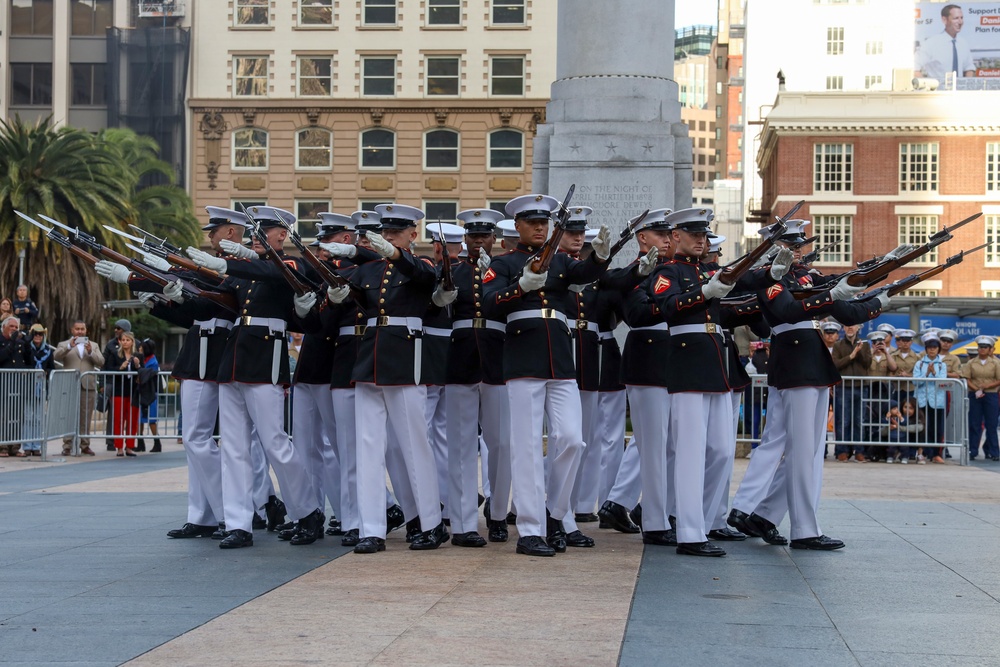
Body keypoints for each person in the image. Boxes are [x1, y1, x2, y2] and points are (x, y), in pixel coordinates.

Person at [186, 205, 326, 549]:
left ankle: (307, 511)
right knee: (233, 447)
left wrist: (235, 262)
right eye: (253, 232)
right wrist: (167, 292)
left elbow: (282, 274)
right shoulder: (247, 271)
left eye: (263, 232)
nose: (254, 237)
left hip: (265, 359)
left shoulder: (290, 265)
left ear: (282, 235)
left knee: (274, 442)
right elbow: (212, 305)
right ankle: (238, 523)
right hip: (234, 360)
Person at [483, 193, 612, 557]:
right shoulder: (504, 263)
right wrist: (520, 287)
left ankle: (555, 513)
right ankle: (529, 529)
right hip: (523, 357)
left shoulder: (560, 261)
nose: (540, 228)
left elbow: (585, 273)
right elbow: (490, 302)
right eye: (533, 223)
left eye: (545, 223)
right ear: (518, 227)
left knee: (572, 439)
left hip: (560, 359)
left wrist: (600, 255)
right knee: (524, 445)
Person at [323, 203, 447, 554]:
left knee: (413, 445)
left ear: (413, 234)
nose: (388, 237)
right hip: (369, 362)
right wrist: (336, 297)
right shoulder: (366, 270)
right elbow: (352, 304)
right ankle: (371, 527)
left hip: (405, 362)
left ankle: (429, 523)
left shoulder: (420, 265)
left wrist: (393, 253)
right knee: (368, 448)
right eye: (385, 232)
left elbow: (425, 279)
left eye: (396, 233)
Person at [53, 320, 104, 456]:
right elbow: (56, 355)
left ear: (86, 331)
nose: (80, 331)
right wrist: (69, 347)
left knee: (86, 416)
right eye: (77, 329)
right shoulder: (64, 344)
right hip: (70, 385)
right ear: (72, 330)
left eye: (82, 329)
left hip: (88, 385)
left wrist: (90, 352)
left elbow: (101, 361)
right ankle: (67, 445)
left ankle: (85, 444)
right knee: (69, 416)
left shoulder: (93, 345)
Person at [832, 323, 871, 462]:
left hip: (861, 387)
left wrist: (858, 352)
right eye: (847, 325)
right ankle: (842, 450)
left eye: (853, 326)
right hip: (844, 387)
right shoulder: (838, 345)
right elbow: (835, 365)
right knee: (844, 420)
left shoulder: (865, 344)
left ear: (858, 328)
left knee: (859, 420)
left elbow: (867, 363)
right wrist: (851, 356)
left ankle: (859, 450)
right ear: (843, 328)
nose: (850, 328)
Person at [916, 4, 975, 83]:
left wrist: (967, 85)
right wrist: (927, 86)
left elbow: (969, 68)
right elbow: (914, 67)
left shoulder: (963, 43)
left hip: (960, 93)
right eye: (956, 18)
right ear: (944, 20)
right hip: (938, 93)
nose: (960, 22)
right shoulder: (931, 43)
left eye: (961, 18)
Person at [963, 335, 1000, 461]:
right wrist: (976, 389)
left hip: (991, 394)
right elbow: (966, 378)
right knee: (974, 423)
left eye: (985, 347)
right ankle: (972, 451)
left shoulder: (996, 363)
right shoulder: (971, 362)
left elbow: (999, 379)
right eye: (980, 347)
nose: (982, 349)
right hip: (975, 394)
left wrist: (987, 386)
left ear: (990, 349)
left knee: (992, 424)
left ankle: (994, 452)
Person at [913, 332, 948, 464]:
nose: (932, 349)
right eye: (929, 347)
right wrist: (926, 374)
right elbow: (915, 382)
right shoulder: (920, 364)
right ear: (926, 349)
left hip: (937, 401)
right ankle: (921, 453)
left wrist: (934, 373)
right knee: (922, 428)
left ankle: (935, 454)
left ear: (938, 348)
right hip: (922, 400)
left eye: (934, 347)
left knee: (937, 428)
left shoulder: (941, 365)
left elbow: (942, 382)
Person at [0, 315, 32, 456]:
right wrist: (12, 342)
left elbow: (29, 361)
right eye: (11, 326)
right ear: (4, 327)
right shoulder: (2, 341)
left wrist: (27, 344)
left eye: (16, 327)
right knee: (4, 416)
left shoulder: (20, 342)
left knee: (17, 416)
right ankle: (3, 446)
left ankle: (15, 446)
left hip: (17, 383)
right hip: (3, 384)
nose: (14, 329)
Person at [22, 323, 55, 456]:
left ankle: (37, 446)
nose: (37, 336)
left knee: (39, 418)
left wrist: (46, 372)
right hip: (28, 385)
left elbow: (52, 367)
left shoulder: (48, 350)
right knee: (28, 417)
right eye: (35, 333)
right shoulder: (26, 348)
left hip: (41, 387)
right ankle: (27, 446)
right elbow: (24, 361)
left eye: (40, 334)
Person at [110, 330, 143, 457]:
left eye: (127, 340)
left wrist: (138, 365)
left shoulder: (137, 355)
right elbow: (108, 368)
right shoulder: (115, 355)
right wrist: (120, 368)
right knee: (118, 419)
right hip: (119, 391)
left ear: (132, 342)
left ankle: (130, 446)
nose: (125, 342)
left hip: (133, 391)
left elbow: (143, 371)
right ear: (120, 341)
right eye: (123, 340)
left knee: (132, 419)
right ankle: (118, 447)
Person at [101, 319, 130, 450]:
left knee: (129, 414)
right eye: (115, 328)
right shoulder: (110, 345)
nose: (116, 330)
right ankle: (111, 441)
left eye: (119, 328)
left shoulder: (133, 344)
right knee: (113, 414)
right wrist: (102, 383)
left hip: (128, 385)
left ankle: (132, 442)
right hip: (112, 383)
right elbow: (103, 364)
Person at [136, 339, 160, 453]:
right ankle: (140, 442)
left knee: (151, 420)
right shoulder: (143, 359)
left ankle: (157, 442)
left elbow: (145, 374)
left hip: (150, 393)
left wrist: (139, 368)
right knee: (139, 419)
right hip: (141, 392)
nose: (139, 349)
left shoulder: (153, 362)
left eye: (142, 348)